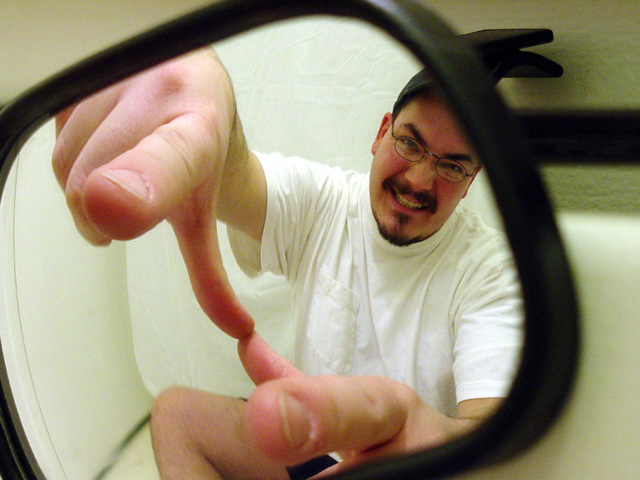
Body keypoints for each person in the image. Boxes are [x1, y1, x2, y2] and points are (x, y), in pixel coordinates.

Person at [53, 48, 522, 479]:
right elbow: (234, 176)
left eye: (452, 166)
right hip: (313, 443)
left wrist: (430, 440)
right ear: (381, 134)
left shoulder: (490, 268)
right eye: (411, 144)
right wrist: (209, 111)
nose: (420, 180)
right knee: (176, 414)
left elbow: (488, 428)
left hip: (415, 469)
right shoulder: (325, 202)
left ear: (470, 180)